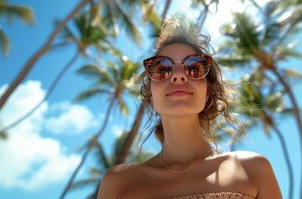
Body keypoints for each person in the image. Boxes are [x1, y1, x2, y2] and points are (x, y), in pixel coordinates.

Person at [97, 20, 282, 199]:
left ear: (208, 91)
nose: (178, 76)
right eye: (162, 69)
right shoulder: (118, 183)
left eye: (193, 68)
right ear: (151, 94)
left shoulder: (253, 169)